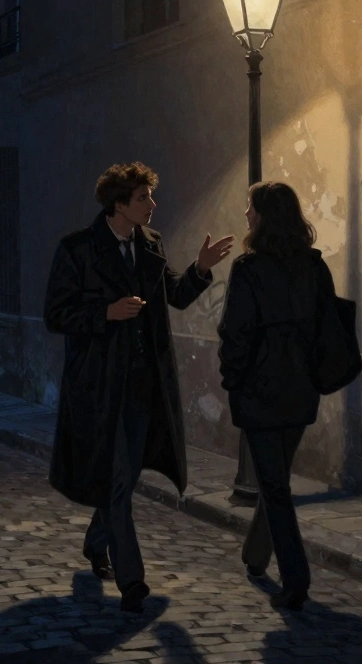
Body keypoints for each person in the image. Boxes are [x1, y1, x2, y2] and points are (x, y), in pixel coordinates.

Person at [44, 161, 234, 613]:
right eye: (144, 198)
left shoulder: (150, 242)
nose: (153, 205)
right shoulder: (78, 249)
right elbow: (56, 314)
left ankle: (96, 541)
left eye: (150, 196)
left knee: (124, 478)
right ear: (119, 204)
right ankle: (132, 581)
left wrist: (201, 269)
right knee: (115, 477)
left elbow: (175, 294)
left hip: (145, 384)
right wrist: (105, 313)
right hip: (99, 386)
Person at [216, 181, 333, 611]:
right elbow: (326, 329)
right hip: (300, 391)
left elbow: (234, 332)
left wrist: (232, 378)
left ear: (264, 216)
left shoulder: (249, 269)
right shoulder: (314, 266)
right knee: (274, 479)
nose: (246, 214)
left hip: (262, 393)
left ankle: (296, 580)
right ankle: (254, 555)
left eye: (250, 207)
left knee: (275, 487)